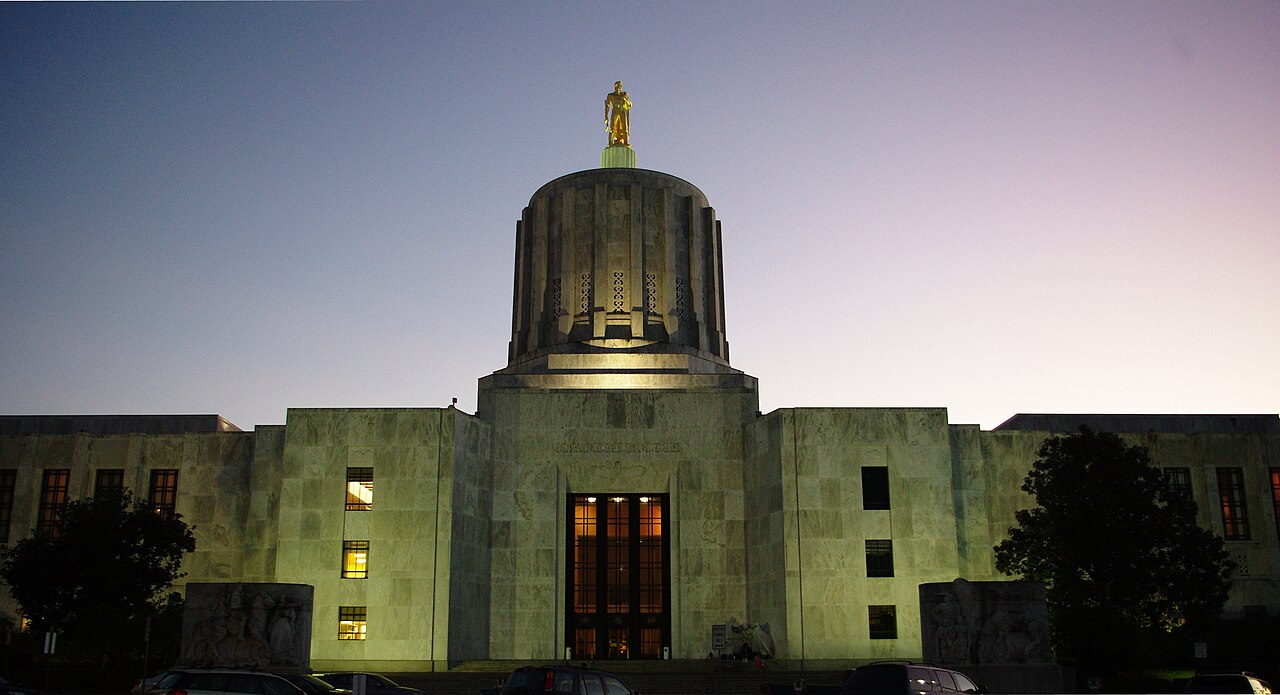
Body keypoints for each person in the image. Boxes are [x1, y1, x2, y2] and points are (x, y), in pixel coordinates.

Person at [604, 81, 631, 146]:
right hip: (615, 110)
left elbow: (629, 105)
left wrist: (626, 100)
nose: (620, 87)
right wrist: (606, 116)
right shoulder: (611, 95)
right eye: (618, 85)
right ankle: (610, 142)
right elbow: (607, 106)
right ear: (615, 86)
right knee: (612, 126)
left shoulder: (624, 94)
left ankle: (626, 142)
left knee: (624, 126)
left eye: (620, 86)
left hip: (622, 110)